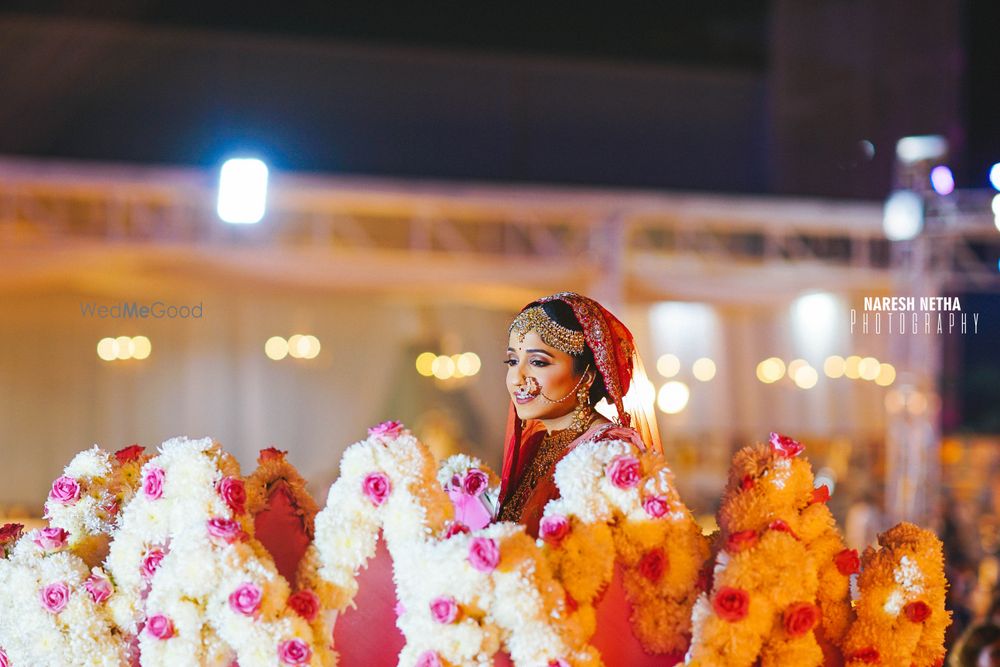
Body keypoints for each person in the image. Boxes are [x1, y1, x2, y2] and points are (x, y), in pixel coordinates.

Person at [496, 292, 661, 536]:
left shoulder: (609, 454)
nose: (517, 379)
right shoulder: (537, 443)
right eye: (512, 361)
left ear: (586, 376)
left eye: (538, 362)